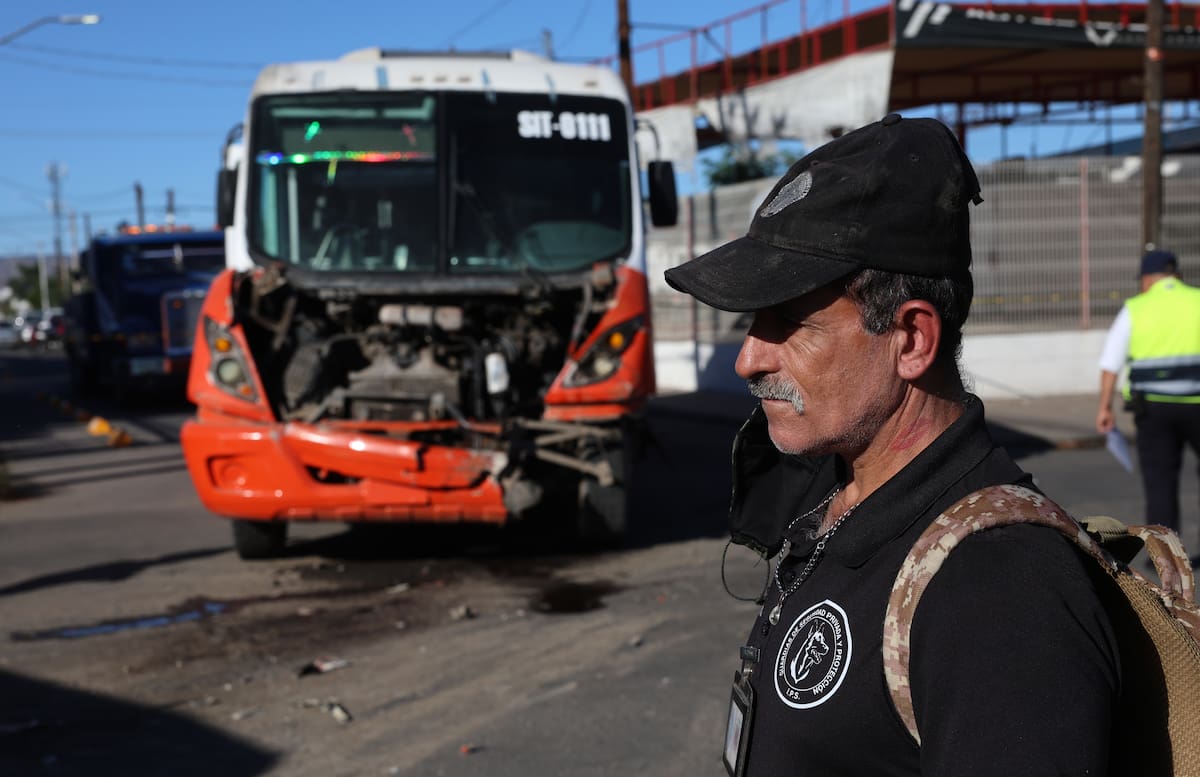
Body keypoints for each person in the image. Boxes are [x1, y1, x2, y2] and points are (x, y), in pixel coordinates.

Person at [664, 114, 1119, 776]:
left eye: (789, 321)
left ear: (910, 339)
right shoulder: (834, 485)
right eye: (750, 321)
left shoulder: (1000, 592)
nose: (748, 358)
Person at [1096, 249, 1200, 533]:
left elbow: (1110, 365)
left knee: (1160, 482)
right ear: (1176, 275)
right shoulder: (1197, 301)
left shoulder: (1135, 309)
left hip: (1153, 410)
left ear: (1147, 280)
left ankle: (1165, 559)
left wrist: (1105, 408)